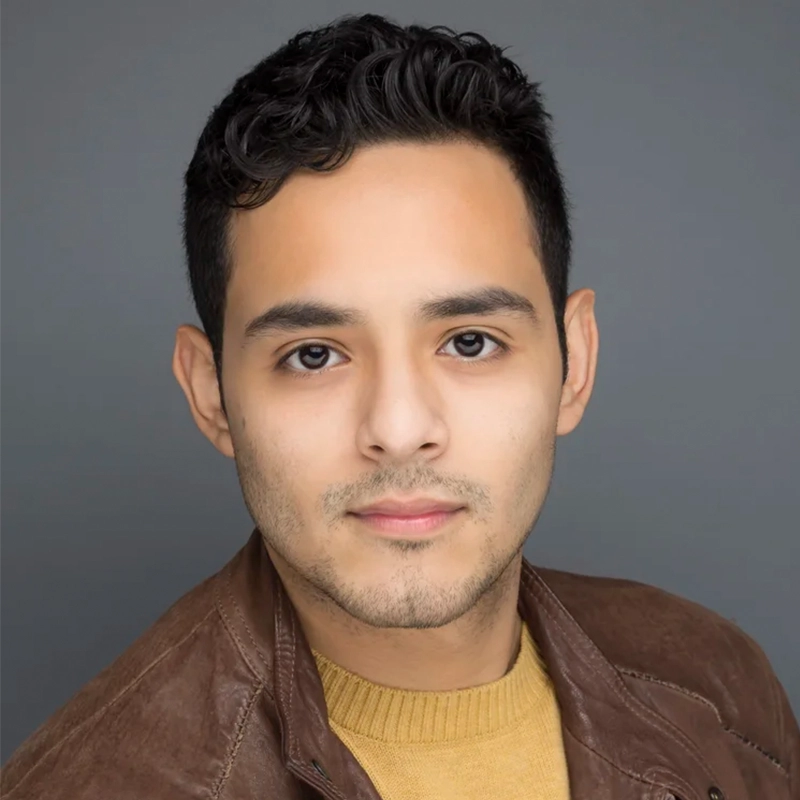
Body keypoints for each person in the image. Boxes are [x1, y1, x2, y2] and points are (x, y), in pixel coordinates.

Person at [2, 12, 797, 800]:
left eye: (470, 342)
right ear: (211, 393)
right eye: (313, 355)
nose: (400, 429)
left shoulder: (719, 688)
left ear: (575, 362)